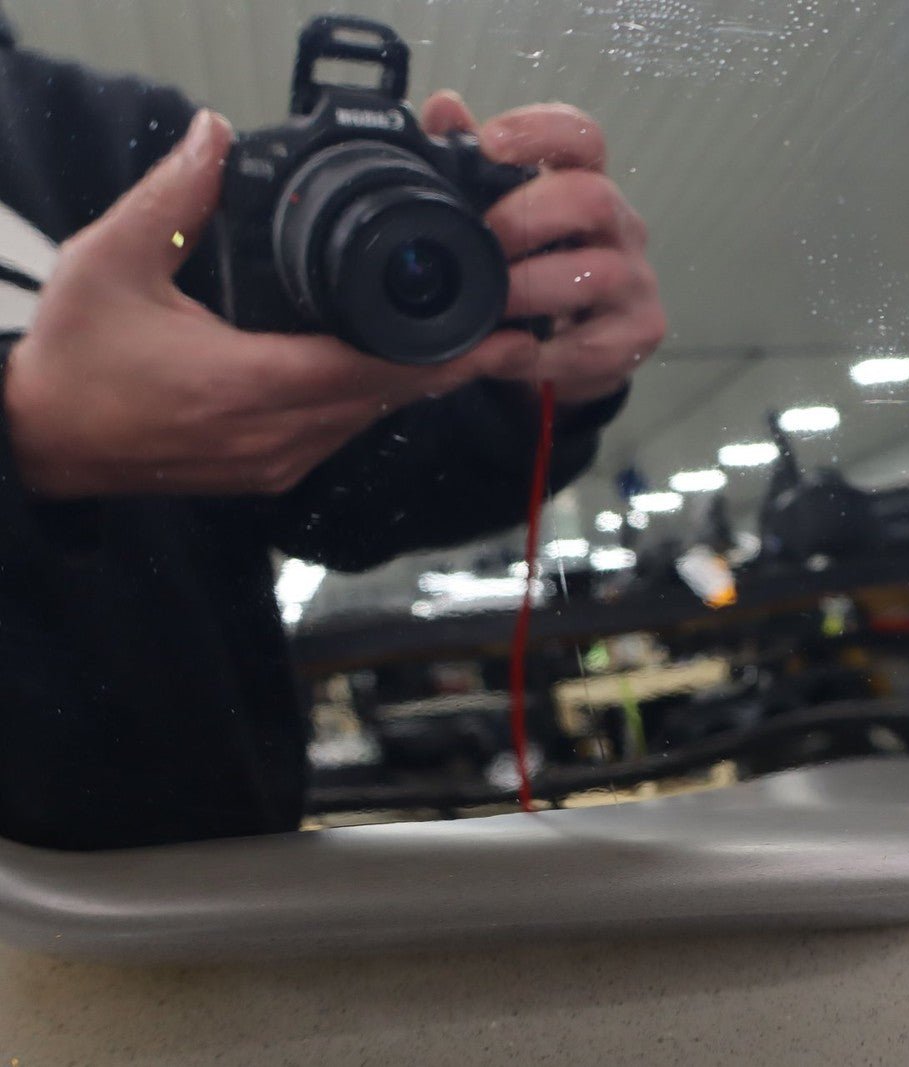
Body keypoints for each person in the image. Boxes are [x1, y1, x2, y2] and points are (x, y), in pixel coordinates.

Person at [0, 9, 666, 850]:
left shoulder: (113, 132)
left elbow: (351, 493)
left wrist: (534, 377)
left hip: (210, 870)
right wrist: (27, 432)